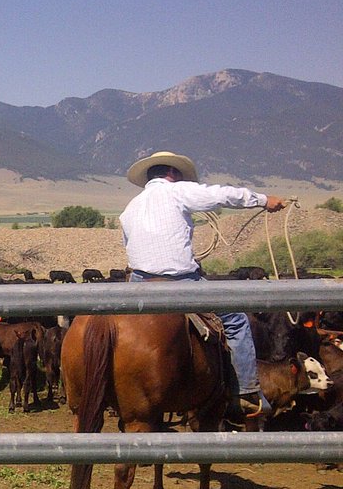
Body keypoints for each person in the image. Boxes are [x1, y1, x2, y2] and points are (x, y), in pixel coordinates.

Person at [119, 150, 288, 420]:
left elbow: (130, 249)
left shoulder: (130, 208)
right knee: (236, 320)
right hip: (179, 281)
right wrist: (264, 200)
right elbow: (223, 195)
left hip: (139, 284)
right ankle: (245, 393)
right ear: (172, 173)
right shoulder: (178, 191)